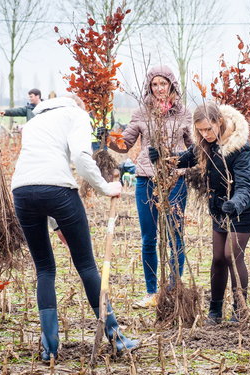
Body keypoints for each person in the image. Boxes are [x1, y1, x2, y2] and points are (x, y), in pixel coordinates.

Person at [11, 95, 138, 361]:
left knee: (44, 269)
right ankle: (117, 338)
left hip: (22, 191)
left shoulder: (35, 121)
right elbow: (80, 156)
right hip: (58, 191)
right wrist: (105, 188)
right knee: (87, 266)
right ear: (79, 105)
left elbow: (38, 179)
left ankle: (49, 349)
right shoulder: (77, 114)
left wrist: (57, 226)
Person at [150, 102, 250, 324]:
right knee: (218, 258)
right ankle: (215, 311)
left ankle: (240, 310)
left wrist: (236, 203)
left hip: (245, 207)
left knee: (232, 255)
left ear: (219, 122)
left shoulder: (239, 148)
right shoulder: (205, 144)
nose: (205, 134)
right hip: (219, 206)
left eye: (209, 129)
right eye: (200, 130)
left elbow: (246, 185)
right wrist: (162, 157)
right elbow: (183, 159)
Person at [108, 66, 193, 309]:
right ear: (149, 87)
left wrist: (172, 156)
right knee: (148, 237)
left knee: (175, 235)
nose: (159, 89)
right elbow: (125, 144)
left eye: (163, 84)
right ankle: (152, 292)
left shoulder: (184, 113)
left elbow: (194, 150)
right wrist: (108, 138)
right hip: (146, 178)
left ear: (172, 84)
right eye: (154, 85)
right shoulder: (141, 113)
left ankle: (174, 289)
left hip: (175, 179)